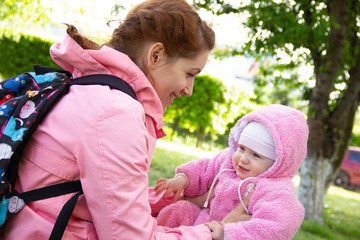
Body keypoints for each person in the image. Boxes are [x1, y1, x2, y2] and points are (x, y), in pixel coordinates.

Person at [0, 0, 222, 239]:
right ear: (155, 55)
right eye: (190, 74)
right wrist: (208, 235)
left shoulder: (91, 87)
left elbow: (103, 193)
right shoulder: (116, 112)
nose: (189, 89)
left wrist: (188, 199)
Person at [155, 104, 309, 240]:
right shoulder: (228, 161)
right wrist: (183, 179)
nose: (243, 159)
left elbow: (277, 227)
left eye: (256, 155)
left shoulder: (275, 191)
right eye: (241, 148)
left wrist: (228, 234)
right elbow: (205, 168)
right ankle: (154, 232)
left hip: (228, 233)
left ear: (277, 163)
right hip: (204, 219)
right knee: (180, 209)